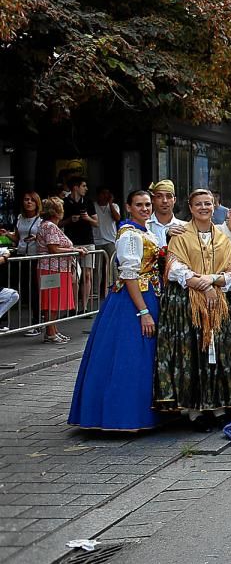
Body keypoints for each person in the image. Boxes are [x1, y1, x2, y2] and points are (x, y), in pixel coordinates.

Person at [69, 190, 161, 431]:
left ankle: (141, 413)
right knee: (128, 355)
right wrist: (143, 312)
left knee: (143, 356)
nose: (145, 209)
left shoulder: (145, 231)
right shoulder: (129, 235)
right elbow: (129, 275)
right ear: (128, 207)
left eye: (148, 204)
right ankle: (122, 415)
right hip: (133, 301)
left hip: (150, 294)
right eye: (139, 205)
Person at [155, 189, 231, 422]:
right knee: (193, 354)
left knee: (219, 354)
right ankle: (194, 410)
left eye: (208, 203)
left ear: (214, 206)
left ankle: (217, 406)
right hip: (188, 303)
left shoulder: (223, 238)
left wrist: (212, 280)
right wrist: (203, 285)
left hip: (216, 303)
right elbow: (173, 269)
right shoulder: (180, 235)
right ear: (191, 208)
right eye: (199, 204)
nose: (204, 207)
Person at [35, 197, 88, 344]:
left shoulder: (47, 225)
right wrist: (74, 249)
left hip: (55, 267)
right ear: (57, 211)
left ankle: (53, 330)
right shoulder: (50, 226)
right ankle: (50, 332)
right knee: (52, 302)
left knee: (54, 302)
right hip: (52, 268)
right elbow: (53, 248)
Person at [62, 177, 98, 306]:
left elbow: (96, 223)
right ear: (76, 187)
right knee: (74, 276)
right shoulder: (64, 202)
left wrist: (87, 218)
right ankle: (74, 306)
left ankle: (84, 306)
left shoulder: (88, 202)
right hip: (71, 243)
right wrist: (70, 220)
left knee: (87, 274)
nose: (86, 188)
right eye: (83, 186)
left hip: (87, 241)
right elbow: (59, 222)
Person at [147, 180, 185, 246]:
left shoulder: (184, 227)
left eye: (169, 196)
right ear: (153, 199)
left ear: (174, 200)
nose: (164, 201)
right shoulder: (145, 226)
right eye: (159, 196)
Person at [93, 186, 121, 273]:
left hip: (110, 240)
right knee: (97, 269)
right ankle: (97, 287)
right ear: (98, 195)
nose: (105, 196)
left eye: (107, 193)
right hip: (97, 240)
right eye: (103, 193)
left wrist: (110, 203)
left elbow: (117, 218)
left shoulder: (114, 206)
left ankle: (112, 286)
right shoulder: (93, 206)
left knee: (112, 267)